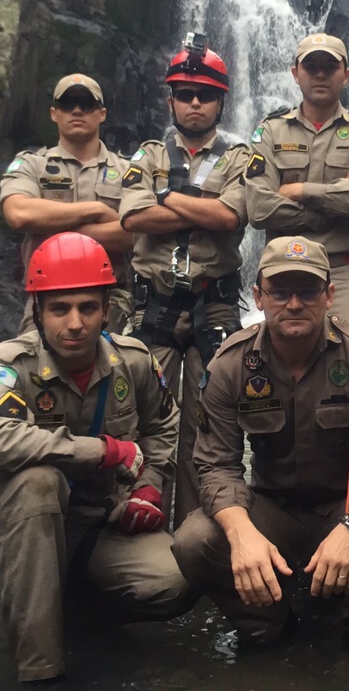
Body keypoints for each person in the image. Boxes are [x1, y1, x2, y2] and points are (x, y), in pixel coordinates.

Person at [172, 236, 349, 644]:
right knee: (194, 539)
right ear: (258, 296)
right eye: (280, 292)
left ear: (329, 295)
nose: (294, 304)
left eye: (308, 291)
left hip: (345, 504)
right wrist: (242, 534)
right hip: (272, 512)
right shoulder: (230, 365)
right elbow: (216, 466)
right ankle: (265, 621)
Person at [0, 232, 190, 684]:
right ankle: (41, 671)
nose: (74, 323)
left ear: (106, 310)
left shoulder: (134, 361)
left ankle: (67, 609)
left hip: (96, 521)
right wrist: (101, 450)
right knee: (38, 482)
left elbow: (164, 425)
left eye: (87, 308)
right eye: (59, 309)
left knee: (174, 581)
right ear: (37, 311)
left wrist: (149, 486)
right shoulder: (9, 366)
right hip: (14, 521)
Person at [118, 33, 249, 521]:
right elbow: (133, 217)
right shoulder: (149, 154)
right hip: (153, 304)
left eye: (206, 95)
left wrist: (167, 197)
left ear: (220, 102)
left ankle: (200, 530)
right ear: (170, 99)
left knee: (209, 420)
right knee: (143, 414)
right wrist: (200, 204)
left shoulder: (240, 157)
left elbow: (231, 217)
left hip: (214, 304)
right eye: (186, 94)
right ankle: (142, 519)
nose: (196, 103)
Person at [244, 34, 349, 329]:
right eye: (311, 66)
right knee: (286, 356)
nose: (320, 74)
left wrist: (299, 191)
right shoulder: (270, 130)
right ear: (295, 74)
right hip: (284, 273)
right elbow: (259, 209)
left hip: (345, 272)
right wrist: (336, 204)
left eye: (330, 66)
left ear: (346, 75)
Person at [0, 73, 133, 334]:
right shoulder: (31, 164)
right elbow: (19, 213)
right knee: (31, 359)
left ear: (102, 114)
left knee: (117, 360)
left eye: (87, 104)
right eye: (68, 103)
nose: (77, 110)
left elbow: (136, 235)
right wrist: (97, 211)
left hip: (111, 299)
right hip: (47, 296)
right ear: (54, 113)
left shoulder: (130, 171)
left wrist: (49, 229)